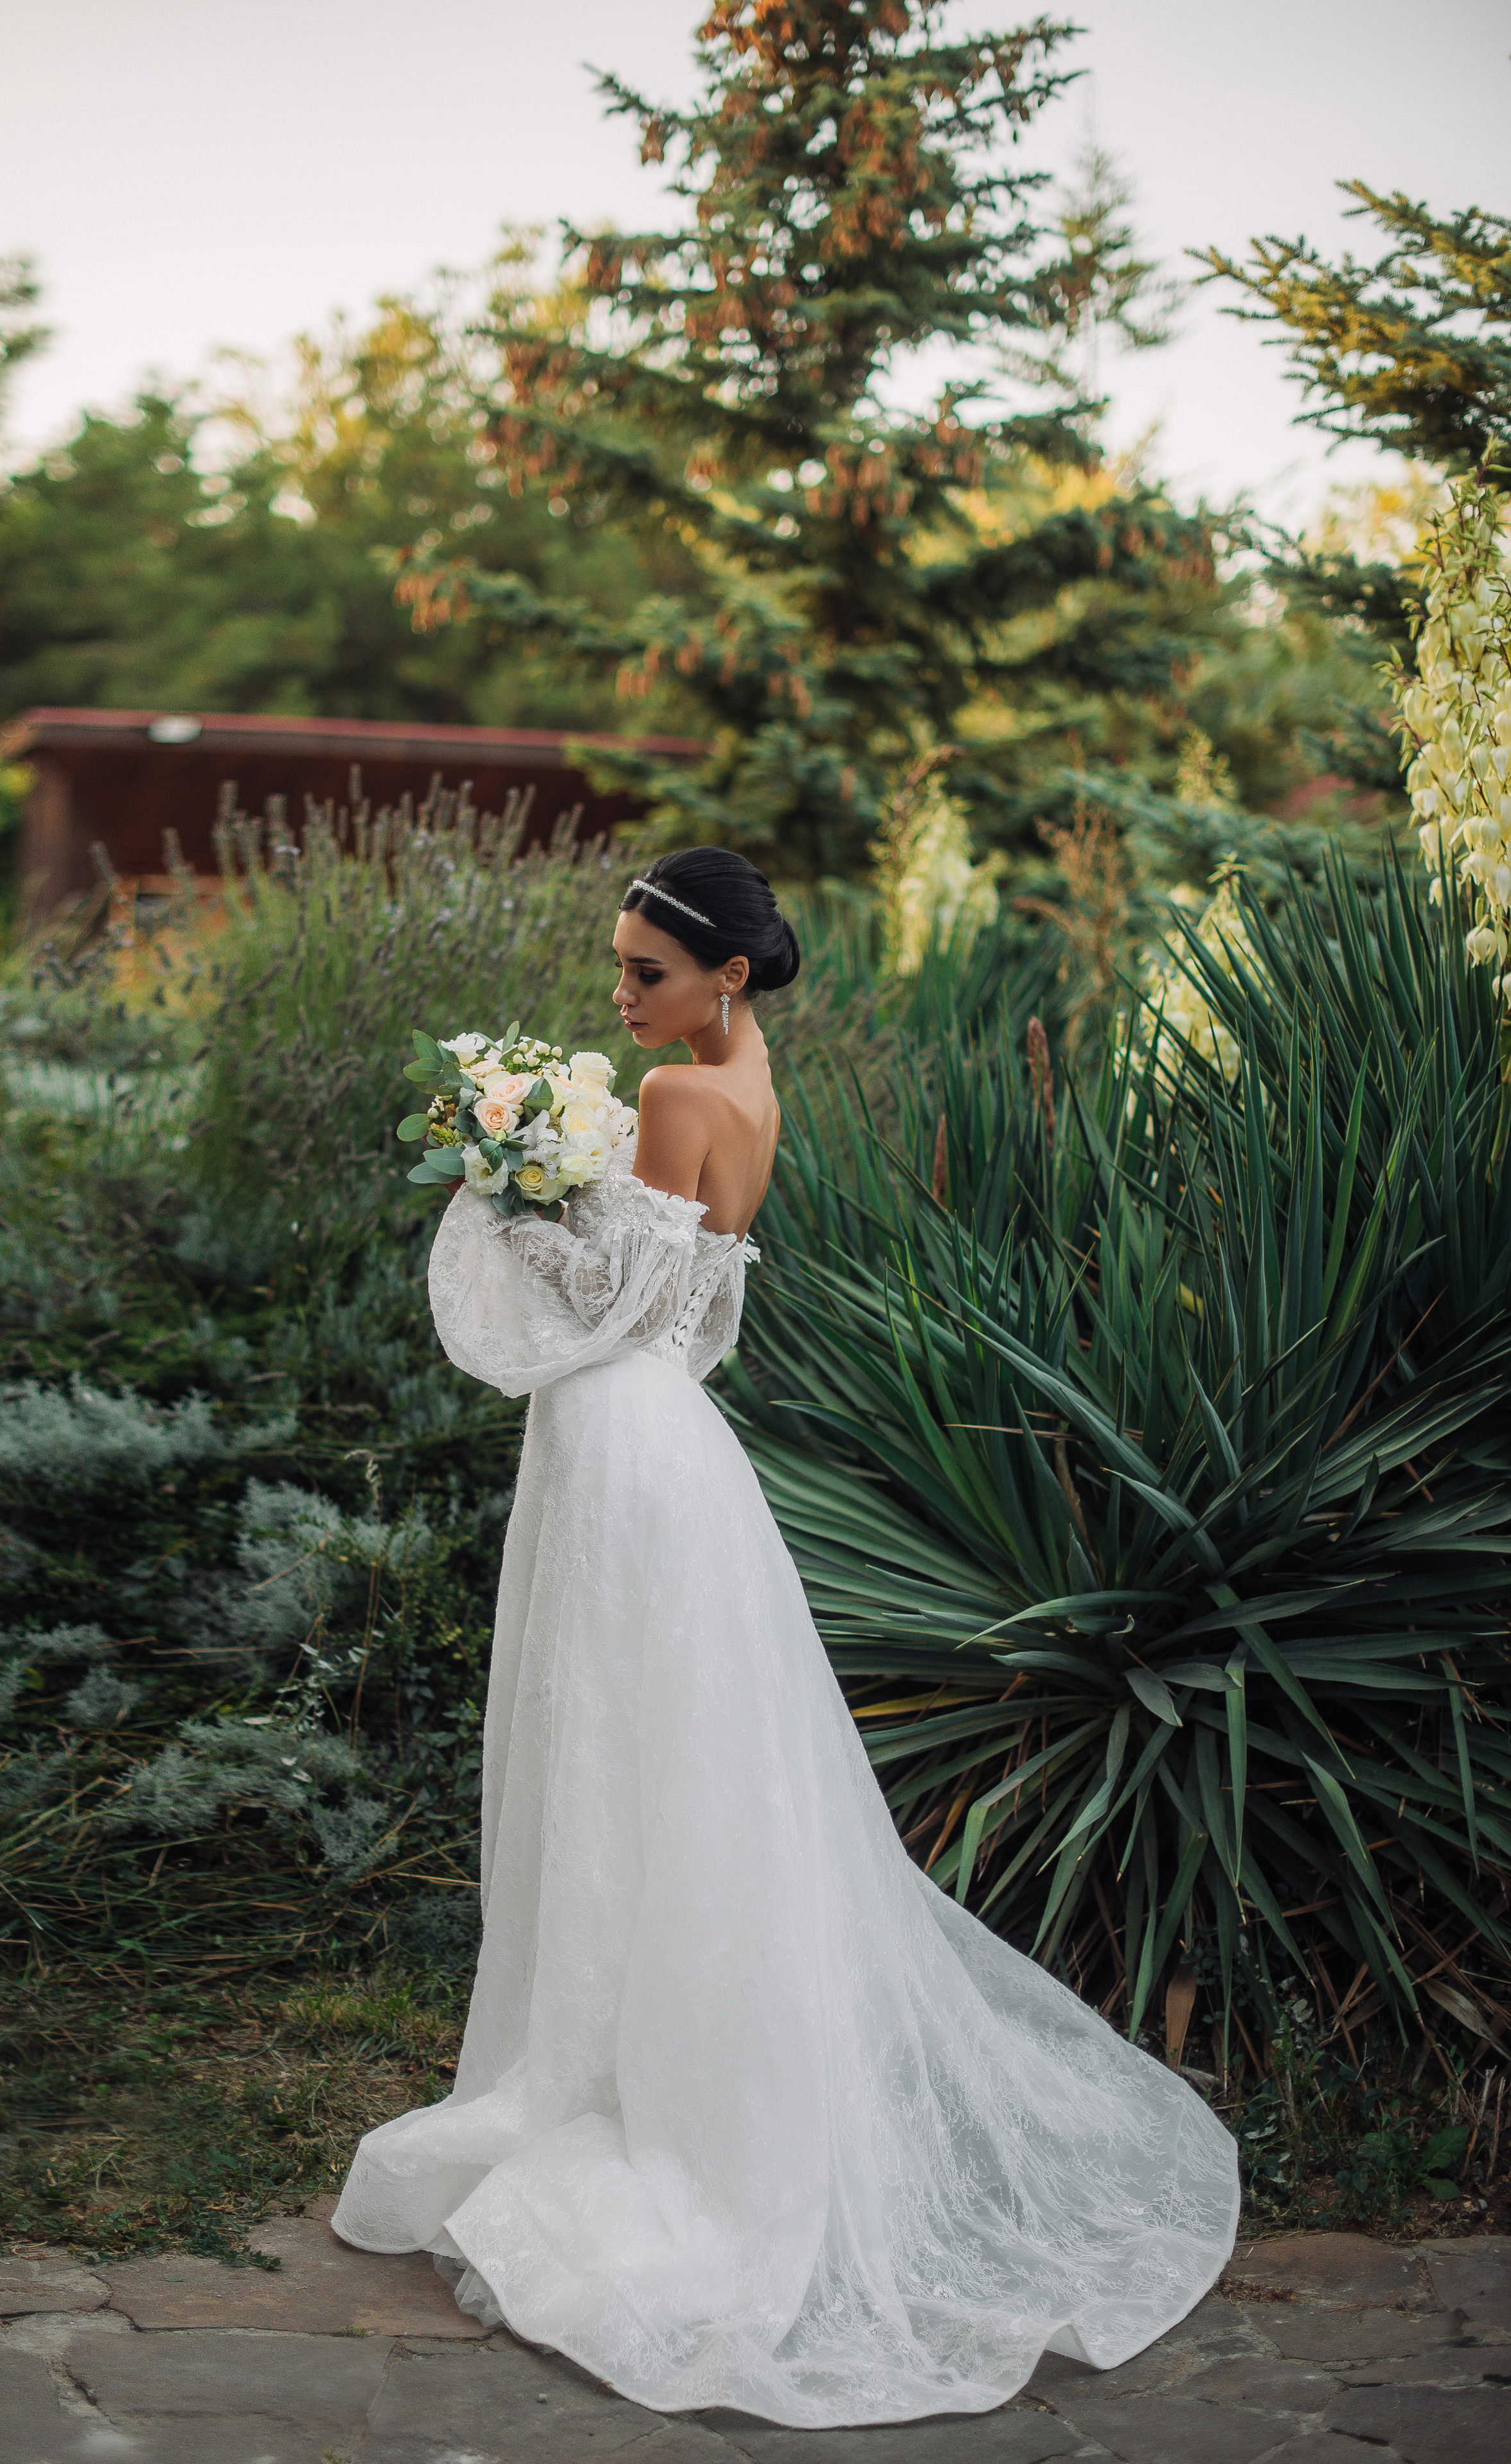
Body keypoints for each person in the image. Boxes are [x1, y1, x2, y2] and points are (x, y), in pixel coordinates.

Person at [331, 847, 1239, 2428]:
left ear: (725, 974)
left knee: (623, 1746)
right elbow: (691, 1304)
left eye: (644, 974)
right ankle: (638, 2056)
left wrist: (503, 1184)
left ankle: (649, 2106)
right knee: (666, 1752)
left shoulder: (679, 1102)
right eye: (615, 968)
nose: (618, 997)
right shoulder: (743, 1076)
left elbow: (605, 1304)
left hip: (624, 1439)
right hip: (672, 1441)